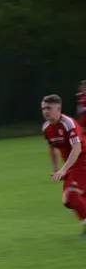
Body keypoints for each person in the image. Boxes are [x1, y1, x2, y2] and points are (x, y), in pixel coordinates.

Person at [41, 95, 86, 236]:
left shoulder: (68, 123)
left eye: (49, 108)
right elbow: (52, 148)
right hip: (71, 165)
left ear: (58, 109)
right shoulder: (46, 128)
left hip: (82, 162)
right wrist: (55, 169)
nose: (45, 111)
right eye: (43, 108)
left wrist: (63, 170)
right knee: (67, 201)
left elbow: (77, 149)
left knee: (72, 196)